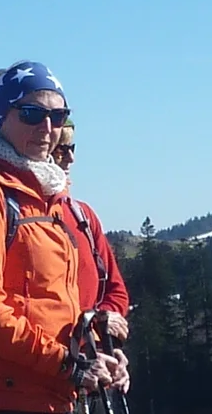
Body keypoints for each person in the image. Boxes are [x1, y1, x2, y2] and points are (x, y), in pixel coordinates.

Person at [0, 61, 127, 414]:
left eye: (58, 117)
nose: (47, 127)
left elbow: (61, 303)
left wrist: (98, 351)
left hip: (51, 394)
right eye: (31, 113)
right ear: (1, 117)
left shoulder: (50, 200)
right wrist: (68, 364)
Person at [53, 119, 130, 346]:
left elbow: (116, 291)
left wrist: (100, 319)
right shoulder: (16, 213)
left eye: (72, 148)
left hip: (89, 363)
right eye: (61, 150)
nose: (71, 158)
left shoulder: (83, 215)